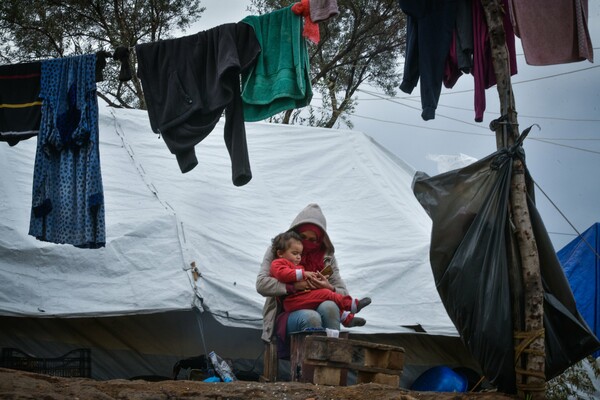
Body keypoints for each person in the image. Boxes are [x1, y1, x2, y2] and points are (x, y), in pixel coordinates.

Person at [256, 203, 367, 357]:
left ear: (320, 239)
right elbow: (261, 284)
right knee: (311, 317)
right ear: (296, 233)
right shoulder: (279, 249)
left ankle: (334, 364)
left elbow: (342, 291)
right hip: (287, 311)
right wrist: (294, 286)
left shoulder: (326, 256)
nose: (307, 243)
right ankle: (307, 373)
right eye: (303, 237)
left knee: (330, 307)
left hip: (318, 302)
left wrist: (327, 286)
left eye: (313, 239)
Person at [270, 231, 371, 327]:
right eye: (295, 253)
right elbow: (282, 274)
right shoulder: (278, 263)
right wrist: (303, 273)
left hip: (300, 298)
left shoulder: (297, 266)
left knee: (326, 296)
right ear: (280, 253)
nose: (298, 257)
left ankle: (346, 318)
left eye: (300, 254)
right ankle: (352, 305)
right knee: (326, 294)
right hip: (291, 301)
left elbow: (298, 280)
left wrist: (315, 281)